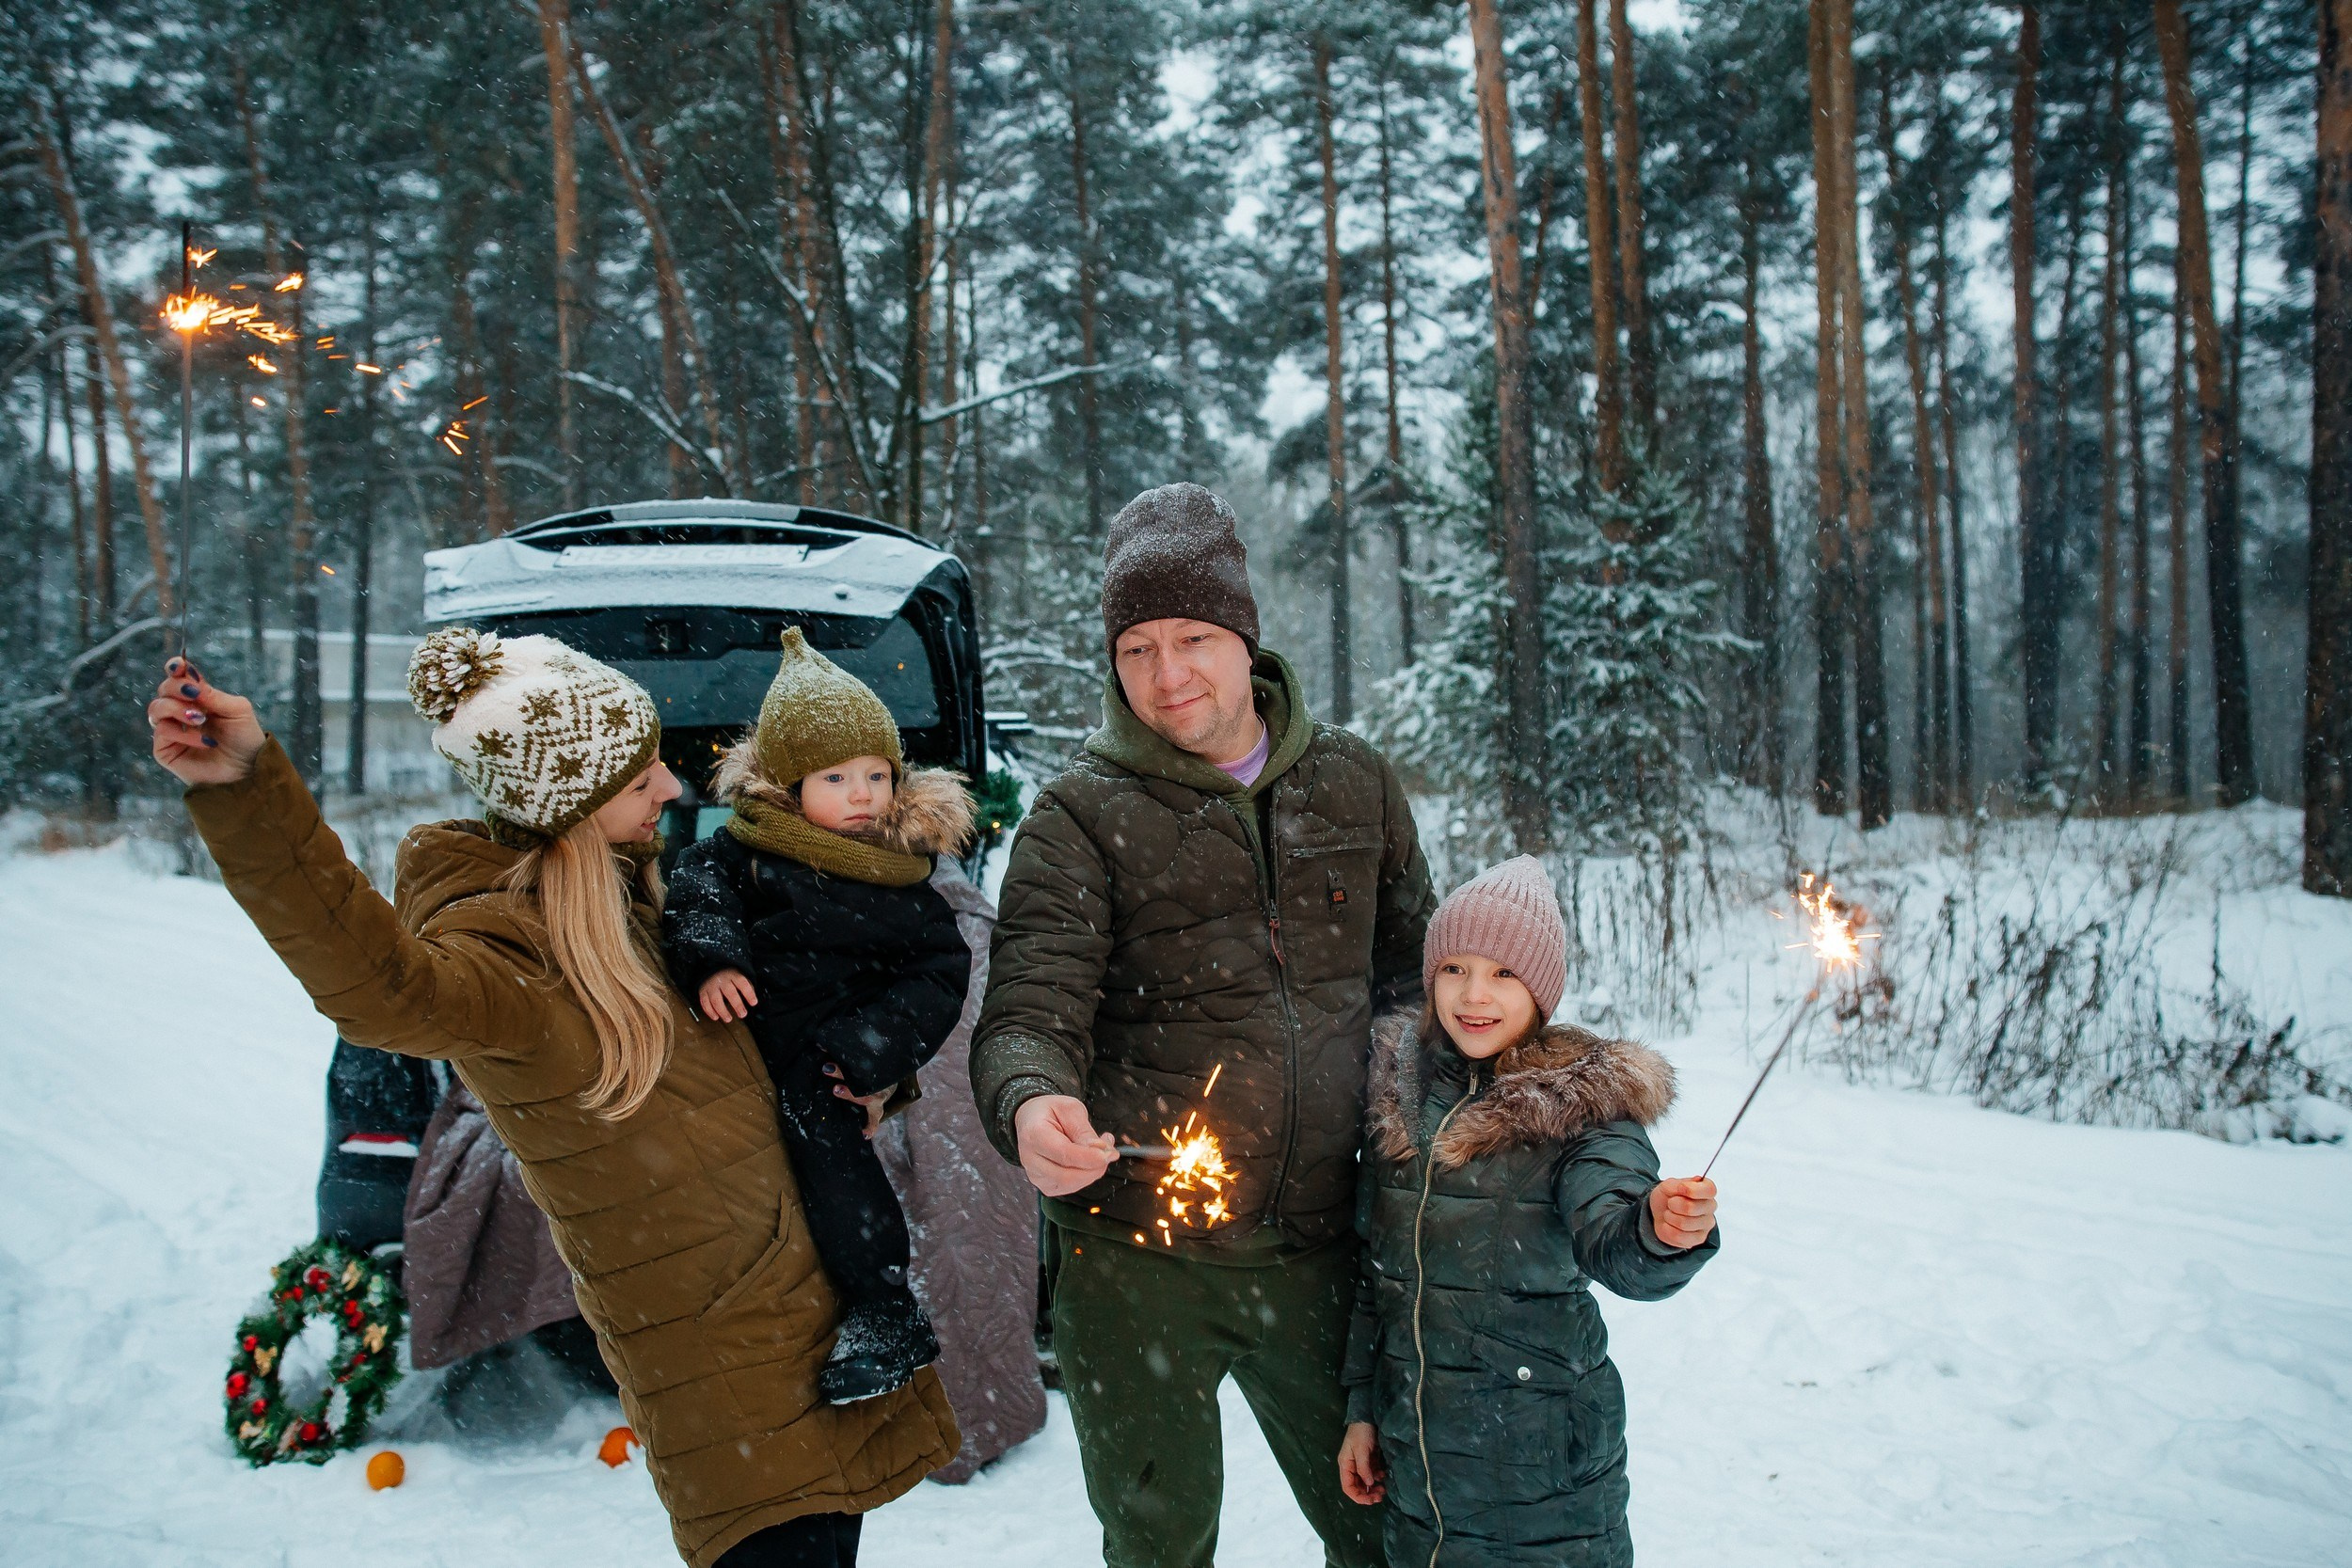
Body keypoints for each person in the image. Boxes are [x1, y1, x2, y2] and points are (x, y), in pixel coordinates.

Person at [147, 632, 957, 1568]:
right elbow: (374, 985)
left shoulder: (642, 909)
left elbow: (783, 1024)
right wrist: (244, 789)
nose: (672, 789)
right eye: (639, 776)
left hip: (806, 1315)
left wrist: (870, 1077)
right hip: (729, 1360)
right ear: (566, 811)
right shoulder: (510, 968)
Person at [972, 483, 1436, 1568]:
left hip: (1321, 1246)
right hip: (1137, 1260)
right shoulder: (1076, 814)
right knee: (1157, 1541)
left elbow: (1410, 975)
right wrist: (1032, 1100)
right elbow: (1029, 1007)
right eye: (1135, 647)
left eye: (1191, 638)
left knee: (1383, 1530)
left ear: (1244, 638)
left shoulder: (1354, 784)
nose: (1166, 674)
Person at [1335, 856, 1721, 1568]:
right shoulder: (1398, 1095)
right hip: (1419, 1482)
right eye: (1454, 967)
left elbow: (1615, 1234)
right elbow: (1374, 1276)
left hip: (1545, 1492)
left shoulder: (1581, 1105)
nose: (1474, 993)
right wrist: (1363, 1409)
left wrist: (1659, 1231)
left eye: (1504, 973)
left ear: (1541, 989)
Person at [662, 629, 974, 1405]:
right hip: (731, 1048)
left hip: (825, 1062)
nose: (862, 793)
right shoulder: (746, 852)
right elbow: (698, 894)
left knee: (834, 1166)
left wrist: (869, 1048)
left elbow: (940, 975)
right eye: (835, 776)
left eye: (876, 773)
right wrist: (717, 960)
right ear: (785, 783)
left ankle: (883, 1309)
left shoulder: (904, 883)